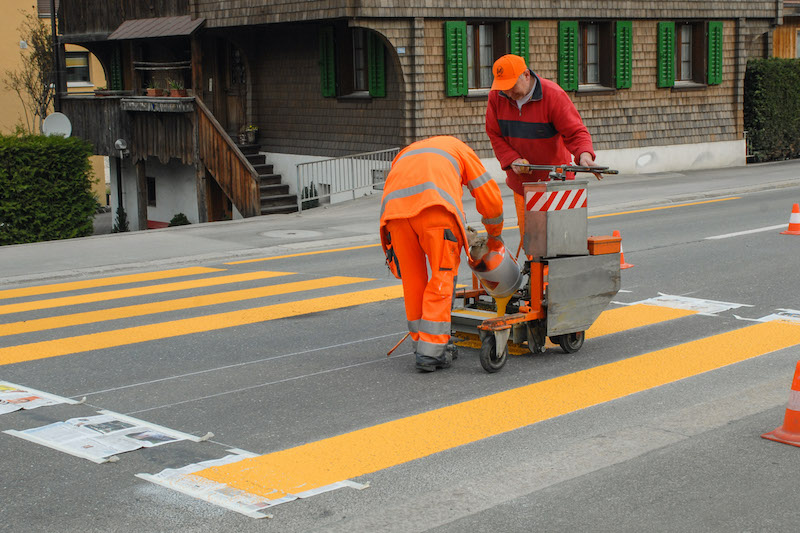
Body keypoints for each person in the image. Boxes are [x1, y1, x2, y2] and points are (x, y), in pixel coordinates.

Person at [379, 136, 505, 372]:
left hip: (395, 217)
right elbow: (489, 197)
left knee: (414, 281)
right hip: (435, 214)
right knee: (442, 276)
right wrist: (494, 234)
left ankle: (422, 344)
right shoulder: (461, 150)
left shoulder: (408, 152)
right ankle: (432, 352)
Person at [485, 53, 597, 240]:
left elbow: (576, 132)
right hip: (523, 185)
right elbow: (494, 134)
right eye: (503, 88)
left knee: (562, 240)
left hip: (556, 184)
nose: (508, 93)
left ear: (526, 75)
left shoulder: (553, 95)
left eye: (511, 86)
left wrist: (584, 154)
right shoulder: (496, 97)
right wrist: (512, 159)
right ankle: (535, 268)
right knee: (532, 241)